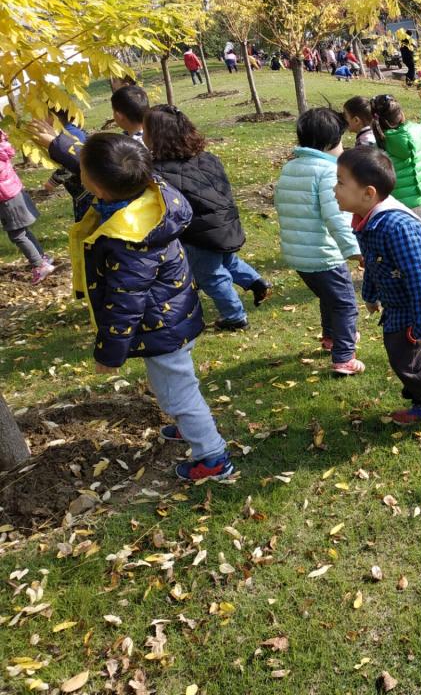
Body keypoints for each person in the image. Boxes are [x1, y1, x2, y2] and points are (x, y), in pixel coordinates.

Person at [69, 133, 234, 482]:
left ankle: (213, 457)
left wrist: (109, 354)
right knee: (174, 386)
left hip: (162, 327)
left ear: (96, 186)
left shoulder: (128, 240)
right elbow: (99, 166)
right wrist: (57, 142)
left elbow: (125, 303)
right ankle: (189, 426)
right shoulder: (148, 194)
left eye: (81, 169)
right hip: (169, 318)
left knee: (179, 395)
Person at [334, 146, 421, 425]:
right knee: (398, 354)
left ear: (368, 193)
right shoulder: (366, 220)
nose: (335, 189)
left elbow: (420, 278)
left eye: (340, 183)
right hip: (399, 302)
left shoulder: (397, 227)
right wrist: (370, 294)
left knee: (409, 360)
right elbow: (373, 261)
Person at [143, 105, 271, 331]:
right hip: (225, 226)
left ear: (155, 136)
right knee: (227, 261)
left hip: (199, 235)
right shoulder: (207, 158)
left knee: (211, 275)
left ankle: (235, 317)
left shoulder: (159, 173)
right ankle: (256, 282)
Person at [275, 108, 364, 376]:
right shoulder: (327, 172)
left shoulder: (290, 167)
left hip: (298, 254)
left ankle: (331, 337)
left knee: (329, 297)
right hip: (323, 254)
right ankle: (344, 357)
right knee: (345, 304)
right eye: (340, 141)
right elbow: (335, 217)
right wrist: (355, 250)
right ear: (329, 143)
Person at [370, 90, 421, 225]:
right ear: (401, 114)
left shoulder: (377, 146)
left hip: (394, 203)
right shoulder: (418, 132)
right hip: (420, 200)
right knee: (419, 231)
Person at [0, 129, 54, 283]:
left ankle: (39, 265)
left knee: (17, 234)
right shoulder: (2, 148)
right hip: (13, 193)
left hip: (7, 199)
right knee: (22, 231)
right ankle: (41, 257)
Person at [27, 110, 90, 221]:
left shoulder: (71, 135)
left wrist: (53, 181)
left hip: (86, 191)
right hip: (80, 192)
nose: (37, 119)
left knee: (87, 220)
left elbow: (73, 161)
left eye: (40, 115)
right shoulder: (66, 133)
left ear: (53, 117)